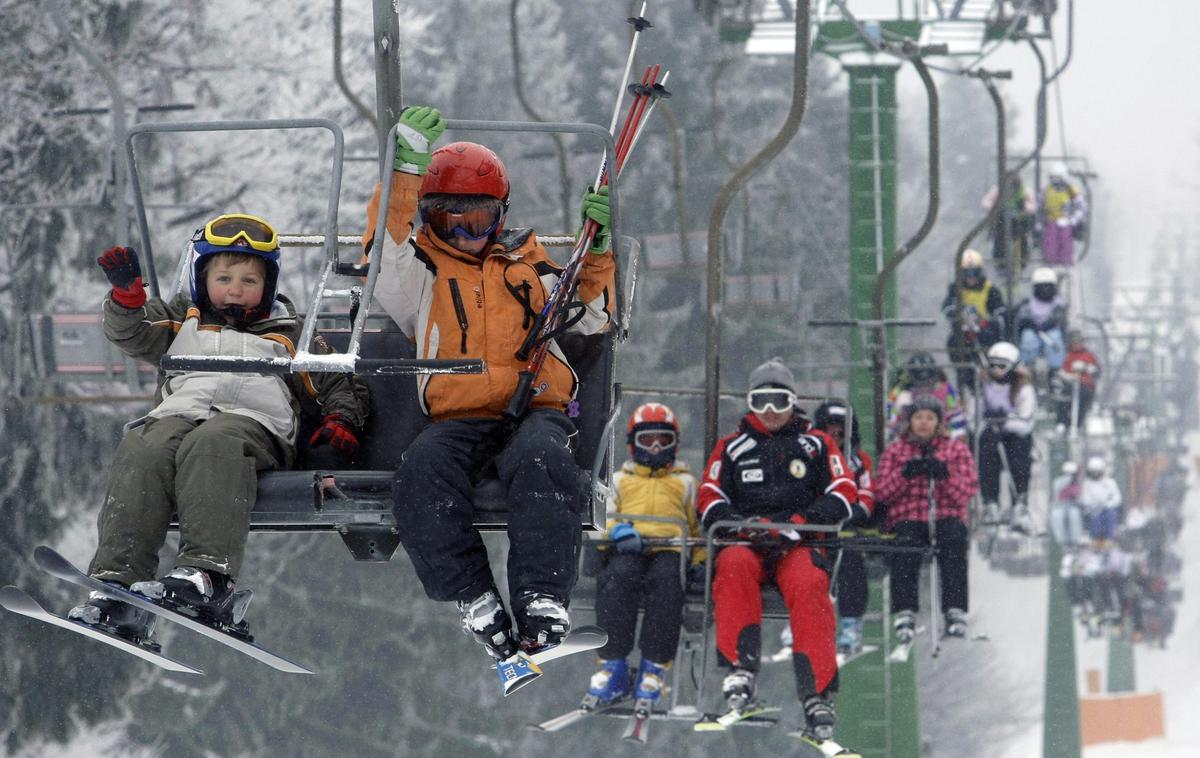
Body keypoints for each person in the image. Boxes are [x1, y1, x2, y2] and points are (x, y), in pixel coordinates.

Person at [362, 106, 617, 663]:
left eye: (476, 220)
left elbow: (591, 316)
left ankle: (542, 596)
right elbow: (383, 250)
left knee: (543, 460)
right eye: (446, 219)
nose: (463, 232)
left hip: (536, 409)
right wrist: (404, 171)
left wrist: (596, 256)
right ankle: (473, 595)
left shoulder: (531, 265)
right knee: (421, 474)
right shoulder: (420, 274)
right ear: (427, 219)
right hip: (458, 415)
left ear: (500, 216)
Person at [68, 216, 369, 638]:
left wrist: (342, 421)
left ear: (268, 284)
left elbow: (339, 380)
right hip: (180, 415)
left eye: (249, 279)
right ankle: (117, 582)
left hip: (254, 425)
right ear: (202, 278)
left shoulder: (290, 333)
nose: (235, 288)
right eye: (224, 277)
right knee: (144, 447)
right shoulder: (182, 320)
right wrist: (127, 298)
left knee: (212, 441)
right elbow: (131, 333)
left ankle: (208, 575)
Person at [697, 358, 858, 741]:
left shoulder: (816, 443)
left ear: (793, 402)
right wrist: (742, 526)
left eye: (779, 401)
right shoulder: (733, 446)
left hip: (796, 543)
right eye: (761, 401)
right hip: (747, 540)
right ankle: (741, 669)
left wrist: (799, 526)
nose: (770, 411)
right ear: (750, 403)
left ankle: (817, 692)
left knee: (809, 584)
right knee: (732, 564)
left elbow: (844, 489)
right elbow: (709, 496)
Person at [584, 403, 701, 711]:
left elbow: (697, 526)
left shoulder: (685, 482)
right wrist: (617, 532)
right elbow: (603, 515)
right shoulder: (620, 479)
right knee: (616, 580)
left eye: (663, 441)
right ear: (632, 444)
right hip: (628, 547)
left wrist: (700, 560)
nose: (655, 448)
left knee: (668, 587)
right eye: (647, 441)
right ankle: (613, 665)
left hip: (669, 549)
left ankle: (654, 666)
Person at [874, 396, 978, 642]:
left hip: (945, 513)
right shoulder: (897, 450)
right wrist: (906, 474)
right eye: (918, 417)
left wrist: (944, 476)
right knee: (905, 546)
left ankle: (954, 608)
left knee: (954, 544)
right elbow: (883, 493)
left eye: (929, 418)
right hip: (909, 515)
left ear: (938, 422)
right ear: (909, 421)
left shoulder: (955, 449)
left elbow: (966, 492)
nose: (923, 423)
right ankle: (905, 609)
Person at [812, 401, 876, 657]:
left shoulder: (858, 461)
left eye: (840, 433)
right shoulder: (810, 457)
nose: (834, 438)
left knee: (849, 560)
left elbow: (867, 491)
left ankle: (850, 622)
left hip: (845, 524)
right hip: (814, 524)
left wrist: (858, 512)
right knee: (807, 564)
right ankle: (803, 622)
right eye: (829, 432)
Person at [968, 342, 1037, 529]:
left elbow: (1026, 422)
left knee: (1019, 456)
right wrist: (987, 425)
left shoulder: (1023, 389)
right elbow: (972, 417)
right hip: (991, 434)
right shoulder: (982, 386)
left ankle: (1019, 503)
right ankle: (990, 502)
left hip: (1014, 435)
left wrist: (1005, 421)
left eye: (1002, 366)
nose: (997, 370)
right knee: (987, 453)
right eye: (993, 365)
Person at [942, 249, 1007, 389]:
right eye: (967, 274)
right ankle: (966, 380)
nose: (971, 278)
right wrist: (956, 315)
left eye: (974, 273)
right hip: (965, 332)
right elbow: (947, 307)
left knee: (991, 343)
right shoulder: (956, 289)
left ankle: (993, 377)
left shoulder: (990, 289)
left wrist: (992, 321)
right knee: (954, 343)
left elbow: (1000, 310)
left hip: (984, 330)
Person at [885, 352, 967, 440]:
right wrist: (901, 431)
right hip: (908, 443)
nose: (924, 386)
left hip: (941, 443)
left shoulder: (947, 390)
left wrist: (950, 435)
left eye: (928, 381)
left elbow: (958, 421)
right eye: (919, 382)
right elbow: (890, 425)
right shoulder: (899, 393)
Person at [1013, 267, 1068, 379]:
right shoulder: (1028, 302)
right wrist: (1031, 323)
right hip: (1034, 331)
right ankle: (1027, 366)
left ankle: (1055, 371)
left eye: (1048, 287)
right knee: (1028, 338)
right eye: (1042, 287)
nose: (1045, 290)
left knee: (1054, 338)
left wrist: (1048, 324)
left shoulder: (1058, 303)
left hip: (1050, 331)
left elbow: (1059, 317)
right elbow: (1023, 316)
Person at [982, 175, 1036, 273]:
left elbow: (1033, 207)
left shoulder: (1025, 191)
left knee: (1021, 239)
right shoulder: (997, 190)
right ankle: (1000, 264)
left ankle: (1021, 263)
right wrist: (996, 206)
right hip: (1002, 221)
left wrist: (1024, 206)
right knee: (1000, 239)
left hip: (1019, 222)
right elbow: (985, 202)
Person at [1038, 163, 1087, 266]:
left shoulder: (1070, 190)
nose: (1055, 180)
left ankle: (1065, 262)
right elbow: (1040, 205)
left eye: (1057, 177)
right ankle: (1050, 262)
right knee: (1050, 241)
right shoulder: (1047, 190)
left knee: (1065, 240)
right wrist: (1040, 219)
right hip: (1050, 221)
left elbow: (1081, 206)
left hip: (1065, 221)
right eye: (1053, 177)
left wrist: (1074, 220)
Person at [1054, 330, 1100, 435]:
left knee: (1081, 402)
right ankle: (1062, 423)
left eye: (1079, 342)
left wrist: (1087, 368)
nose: (1077, 345)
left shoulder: (1089, 356)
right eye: (1075, 342)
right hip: (1070, 385)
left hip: (1085, 387)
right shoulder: (1067, 356)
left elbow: (1096, 372)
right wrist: (1070, 377)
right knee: (1064, 398)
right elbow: (1062, 372)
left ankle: (1077, 425)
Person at [1079, 456, 1122, 543]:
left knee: (1110, 515)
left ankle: (1109, 539)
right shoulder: (1087, 484)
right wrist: (1093, 504)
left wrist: (1108, 504)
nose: (1095, 474)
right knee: (1095, 519)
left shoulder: (1109, 482)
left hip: (1107, 508)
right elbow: (1084, 498)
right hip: (1093, 509)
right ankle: (1095, 540)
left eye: (1097, 471)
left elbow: (1117, 498)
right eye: (1093, 472)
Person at [1049, 461, 1085, 549]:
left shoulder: (1078, 484)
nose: (1070, 476)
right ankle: (1063, 541)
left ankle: (1075, 540)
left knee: (1074, 515)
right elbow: (1056, 492)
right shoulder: (1059, 481)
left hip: (1073, 506)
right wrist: (1068, 480)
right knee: (1058, 516)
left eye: (1072, 474)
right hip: (1060, 506)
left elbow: (1080, 497)